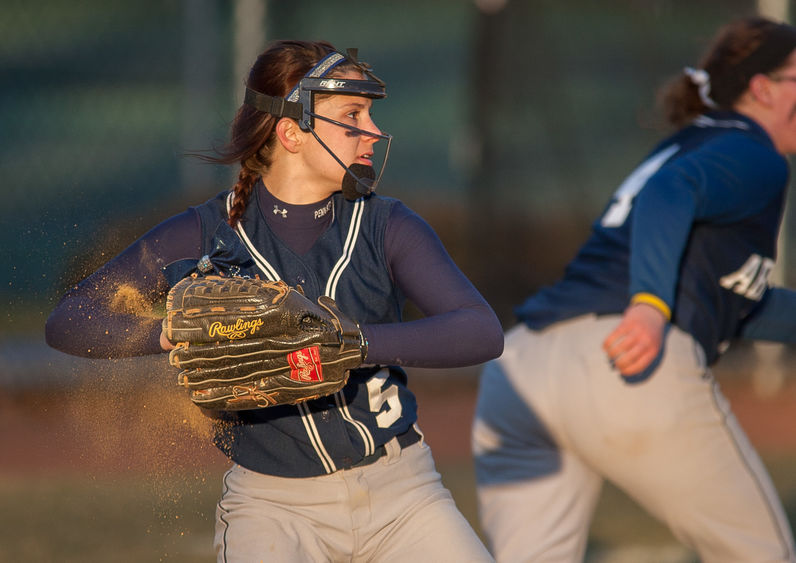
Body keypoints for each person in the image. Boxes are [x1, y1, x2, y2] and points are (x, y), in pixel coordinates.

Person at [46, 40, 503, 562]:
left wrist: (351, 342)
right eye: (353, 115)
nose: (373, 131)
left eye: (370, 115)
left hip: (403, 495)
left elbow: (479, 330)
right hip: (272, 508)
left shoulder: (386, 225)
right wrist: (173, 333)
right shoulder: (208, 232)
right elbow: (69, 318)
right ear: (290, 131)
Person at [472, 16, 796, 563]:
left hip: (523, 368)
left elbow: (737, 302)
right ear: (763, 88)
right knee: (764, 553)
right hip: (626, 358)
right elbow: (671, 194)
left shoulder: (690, 142)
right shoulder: (754, 152)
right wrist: (649, 306)